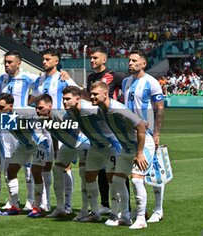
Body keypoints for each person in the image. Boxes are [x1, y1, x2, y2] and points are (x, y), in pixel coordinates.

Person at [89, 81, 155, 229]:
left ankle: (140, 219)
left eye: (95, 94)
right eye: (91, 94)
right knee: (118, 181)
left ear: (105, 94)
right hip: (126, 148)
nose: (92, 97)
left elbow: (141, 126)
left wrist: (139, 153)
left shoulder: (117, 108)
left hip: (142, 147)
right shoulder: (101, 110)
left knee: (137, 180)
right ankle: (124, 216)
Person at [29, 48, 78, 213]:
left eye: (48, 59)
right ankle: (46, 202)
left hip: (62, 126)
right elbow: (33, 99)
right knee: (46, 164)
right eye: (43, 59)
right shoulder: (40, 80)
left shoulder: (63, 78)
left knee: (65, 165)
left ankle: (68, 204)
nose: (44, 62)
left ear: (56, 61)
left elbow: (79, 94)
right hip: (44, 128)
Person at [62, 86, 120, 222]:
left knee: (112, 179)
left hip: (110, 145)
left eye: (67, 99)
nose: (64, 102)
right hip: (94, 147)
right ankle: (94, 213)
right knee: (89, 177)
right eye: (63, 99)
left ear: (78, 98)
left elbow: (113, 116)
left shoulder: (92, 109)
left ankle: (116, 213)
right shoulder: (68, 115)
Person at [122, 50, 165, 223]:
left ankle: (158, 209)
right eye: (129, 60)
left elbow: (160, 108)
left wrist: (156, 133)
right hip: (130, 136)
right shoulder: (125, 81)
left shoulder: (151, 82)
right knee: (136, 173)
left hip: (147, 135)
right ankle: (142, 210)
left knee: (152, 171)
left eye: (134, 60)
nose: (130, 63)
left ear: (143, 63)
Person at [0, 93, 52, 217]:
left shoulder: (24, 112)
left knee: (36, 171)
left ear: (10, 106)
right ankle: (14, 206)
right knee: (11, 170)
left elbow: (41, 115)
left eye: (1, 107)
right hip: (24, 145)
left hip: (39, 143)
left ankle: (37, 207)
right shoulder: (1, 117)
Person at [34, 94, 90, 220]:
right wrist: (56, 150)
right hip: (67, 145)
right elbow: (54, 134)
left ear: (50, 106)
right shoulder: (43, 119)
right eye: (36, 108)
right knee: (57, 169)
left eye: (41, 108)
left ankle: (85, 210)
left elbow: (78, 126)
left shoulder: (59, 116)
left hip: (80, 143)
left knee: (84, 174)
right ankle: (60, 209)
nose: (38, 111)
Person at [85, 46, 126, 215]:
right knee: (101, 167)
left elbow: (125, 92)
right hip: (97, 127)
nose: (92, 60)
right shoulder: (91, 77)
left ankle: (126, 208)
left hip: (113, 127)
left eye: (95, 58)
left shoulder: (115, 75)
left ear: (104, 59)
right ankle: (105, 204)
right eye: (91, 58)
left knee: (118, 169)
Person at [0, 50, 38, 211]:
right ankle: (13, 199)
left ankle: (30, 199)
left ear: (19, 63)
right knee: (8, 161)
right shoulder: (2, 78)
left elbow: (42, 88)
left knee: (28, 165)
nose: (7, 65)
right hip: (6, 123)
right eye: (5, 62)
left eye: (10, 62)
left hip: (22, 122)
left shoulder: (28, 77)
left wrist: (30, 102)